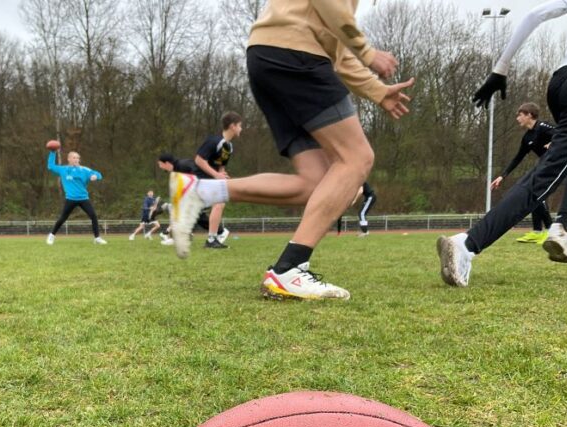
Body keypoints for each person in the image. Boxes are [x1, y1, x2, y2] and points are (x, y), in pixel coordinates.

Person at [167, 0, 414, 300]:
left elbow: (336, 50)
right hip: (296, 56)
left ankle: (199, 191)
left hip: (266, 57)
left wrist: (377, 91)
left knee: (315, 182)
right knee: (357, 158)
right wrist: (367, 52)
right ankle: (290, 269)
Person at [437, 0, 567, 287]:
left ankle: (562, 227)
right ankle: (467, 244)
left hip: (562, 81)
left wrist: (500, 69)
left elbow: (535, 14)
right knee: (545, 177)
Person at [489, 103, 555, 244]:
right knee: (533, 194)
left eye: (520, 115)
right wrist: (502, 176)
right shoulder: (527, 138)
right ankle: (538, 231)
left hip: (557, 164)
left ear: (529, 115)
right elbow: (518, 158)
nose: (517, 118)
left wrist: (553, 142)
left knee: (537, 194)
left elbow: (564, 133)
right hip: (544, 165)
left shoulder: (544, 126)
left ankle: (550, 231)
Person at [157, 153, 229, 245]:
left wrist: (216, 176)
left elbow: (198, 172)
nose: (160, 167)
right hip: (203, 188)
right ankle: (220, 231)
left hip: (207, 186)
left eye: (160, 164)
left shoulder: (182, 165)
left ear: (166, 163)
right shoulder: (177, 169)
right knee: (197, 216)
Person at [194, 112, 242, 249]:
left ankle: (212, 239)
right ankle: (211, 239)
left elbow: (221, 166)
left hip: (211, 180)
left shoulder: (229, 147)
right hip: (199, 179)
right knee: (218, 204)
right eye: (240, 125)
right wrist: (216, 175)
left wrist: (222, 176)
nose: (241, 128)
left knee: (219, 204)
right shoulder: (214, 141)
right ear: (232, 126)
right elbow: (199, 160)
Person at [45, 144, 107, 245]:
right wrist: (52, 152)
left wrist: (95, 176)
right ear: (69, 159)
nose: (76, 159)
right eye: (74, 158)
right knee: (63, 218)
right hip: (70, 199)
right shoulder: (63, 170)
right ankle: (51, 235)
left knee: (93, 216)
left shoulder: (84, 170)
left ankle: (97, 238)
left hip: (83, 198)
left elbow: (98, 174)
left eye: (78, 158)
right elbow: (50, 167)